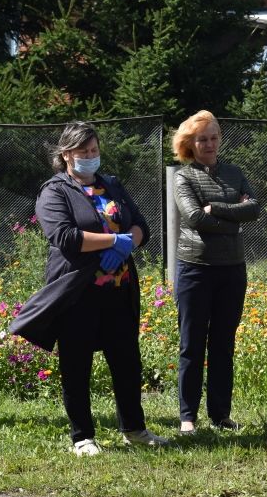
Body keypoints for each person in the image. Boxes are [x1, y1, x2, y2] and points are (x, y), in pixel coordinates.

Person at [10, 121, 167, 455]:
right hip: (78, 293)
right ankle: (82, 436)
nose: (90, 157)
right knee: (76, 364)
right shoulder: (54, 191)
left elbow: (141, 225)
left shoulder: (111, 184)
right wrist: (114, 240)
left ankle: (135, 429)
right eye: (83, 152)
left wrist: (128, 243)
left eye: (94, 151)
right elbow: (64, 237)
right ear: (66, 155)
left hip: (119, 289)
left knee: (127, 362)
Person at [172, 110, 259, 435]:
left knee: (224, 344)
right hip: (195, 269)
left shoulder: (234, 173)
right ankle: (187, 417)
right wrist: (232, 218)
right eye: (201, 139)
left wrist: (218, 210)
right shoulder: (183, 177)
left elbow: (254, 209)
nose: (208, 144)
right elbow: (194, 218)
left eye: (213, 138)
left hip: (232, 270)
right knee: (191, 345)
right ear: (190, 144)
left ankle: (220, 415)